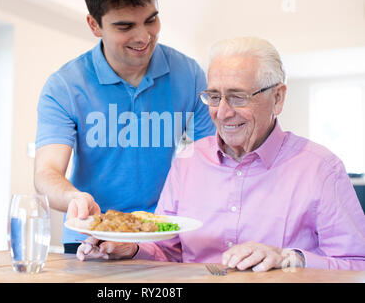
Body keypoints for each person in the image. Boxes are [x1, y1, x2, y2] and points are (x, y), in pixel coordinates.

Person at [76, 37, 365, 271]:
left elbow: (357, 265)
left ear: (277, 98)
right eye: (214, 96)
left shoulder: (321, 169)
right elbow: (167, 248)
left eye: (238, 97)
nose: (223, 112)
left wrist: (291, 258)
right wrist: (132, 248)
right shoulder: (188, 161)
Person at [34, 0, 215, 254]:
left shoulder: (190, 75)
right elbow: (46, 174)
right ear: (95, 25)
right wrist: (75, 198)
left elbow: (213, 162)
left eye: (151, 20)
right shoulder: (65, 86)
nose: (144, 37)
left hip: (161, 238)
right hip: (91, 237)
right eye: (125, 27)